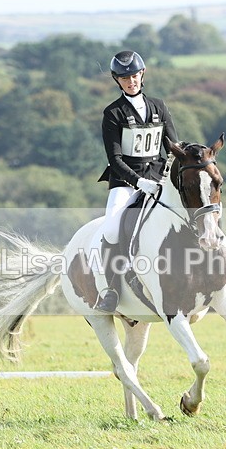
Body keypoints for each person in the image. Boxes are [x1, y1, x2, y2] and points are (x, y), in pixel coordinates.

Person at [94, 50, 179, 312]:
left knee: (197, 208)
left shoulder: (159, 106)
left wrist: (168, 175)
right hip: (125, 182)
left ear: (142, 74)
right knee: (111, 230)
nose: (130, 81)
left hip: (158, 178)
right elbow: (114, 158)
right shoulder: (113, 113)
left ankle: (223, 267)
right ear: (116, 80)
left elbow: (173, 147)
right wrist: (138, 182)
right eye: (124, 78)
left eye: (134, 75)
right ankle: (111, 290)